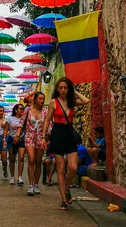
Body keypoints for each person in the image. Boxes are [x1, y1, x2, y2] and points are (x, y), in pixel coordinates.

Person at [42, 77, 89, 210]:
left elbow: (86, 101)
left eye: (65, 87)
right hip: (57, 133)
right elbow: (47, 120)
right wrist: (43, 136)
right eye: (61, 88)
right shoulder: (53, 102)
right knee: (61, 169)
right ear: (57, 89)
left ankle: (67, 187)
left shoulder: (72, 101)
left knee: (73, 167)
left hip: (69, 134)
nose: (63, 90)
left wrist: (74, 91)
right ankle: (63, 199)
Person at [14, 91, 48, 196]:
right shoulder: (28, 110)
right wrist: (18, 134)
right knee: (31, 159)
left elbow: (48, 125)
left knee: (38, 161)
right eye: (40, 99)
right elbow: (21, 122)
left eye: (43, 99)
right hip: (29, 136)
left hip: (40, 137)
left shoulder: (45, 112)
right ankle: (31, 185)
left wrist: (46, 138)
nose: (42, 101)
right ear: (35, 100)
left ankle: (36, 184)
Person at [2, 103, 26, 185]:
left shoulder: (24, 119)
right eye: (20, 109)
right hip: (11, 139)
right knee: (12, 159)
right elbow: (6, 130)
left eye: (23, 109)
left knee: (21, 157)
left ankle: (20, 177)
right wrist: (4, 139)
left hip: (21, 139)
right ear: (16, 110)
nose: (22, 110)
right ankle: (12, 177)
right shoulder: (10, 119)